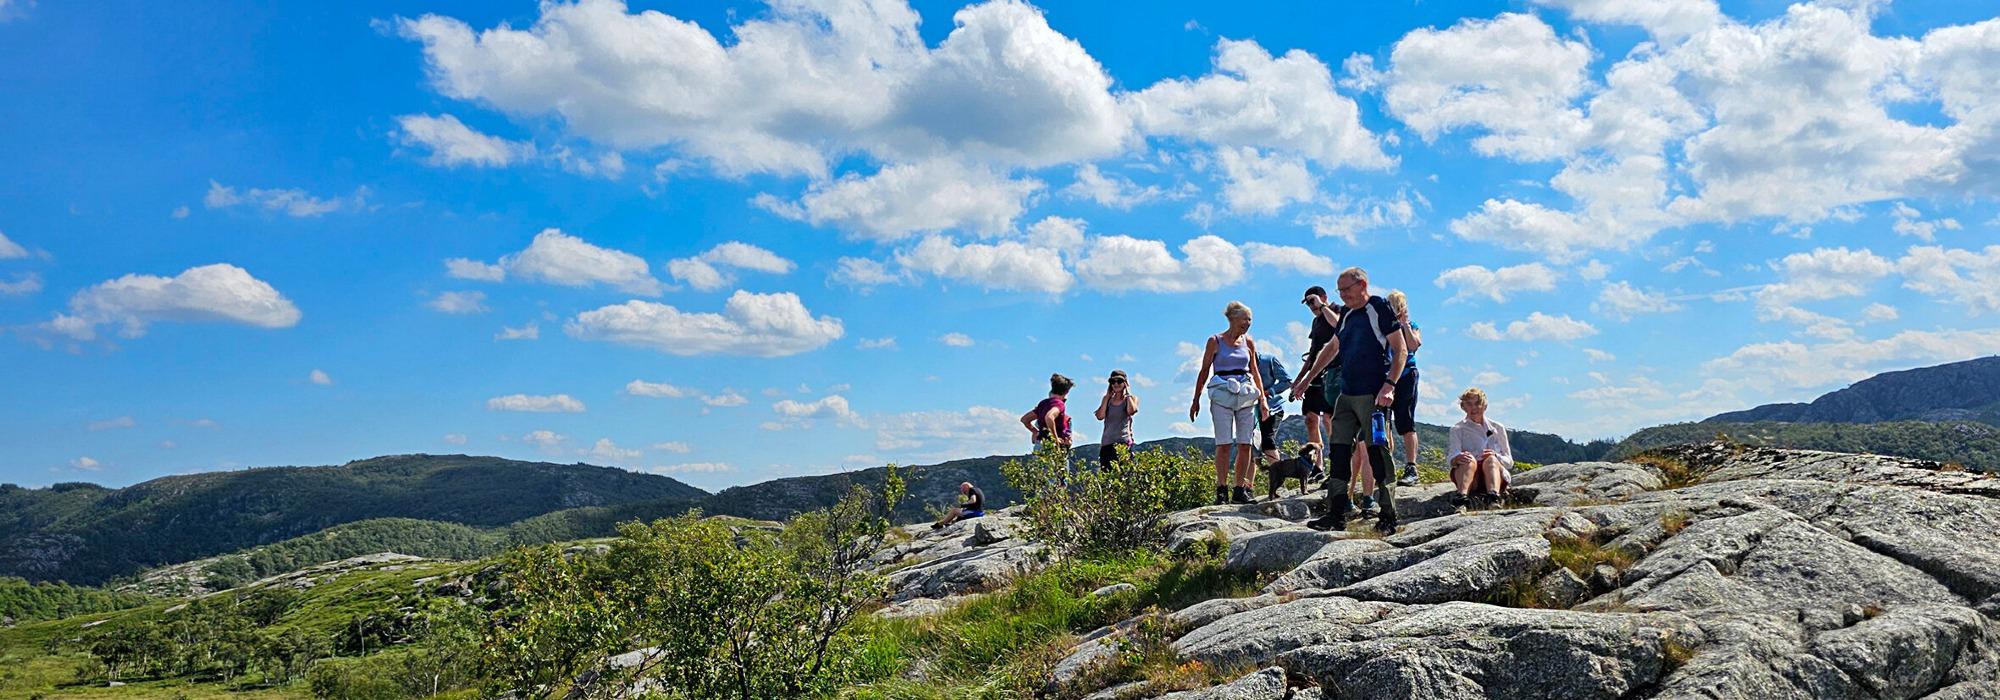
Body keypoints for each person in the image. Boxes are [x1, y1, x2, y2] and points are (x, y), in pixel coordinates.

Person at [1292, 267, 1410, 534]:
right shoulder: (1345, 314)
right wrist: (1307, 379)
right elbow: (1332, 348)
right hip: (1346, 393)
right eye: (1340, 290)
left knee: (1378, 452)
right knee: (1340, 450)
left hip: (1373, 394)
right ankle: (1337, 512)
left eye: (1346, 289)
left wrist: (1389, 385)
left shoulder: (1378, 307)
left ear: (1362, 284)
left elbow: (1400, 348)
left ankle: (1388, 515)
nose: (1343, 295)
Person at [1191, 301, 1269, 505]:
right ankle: (1221, 488)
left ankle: (1240, 489)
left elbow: (1255, 371)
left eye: (1250, 319)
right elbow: (1205, 370)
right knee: (1224, 444)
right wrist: (1196, 399)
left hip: (1244, 394)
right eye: (1245, 318)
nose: (1248, 323)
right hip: (1222, 393)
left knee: (1246, 443)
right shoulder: (1215, 341)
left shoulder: (1249, 342)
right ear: (1232, 318)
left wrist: (1263, 400)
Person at [1297, 286, 1341, 482]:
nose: (1311, 306)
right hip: (1315, 373)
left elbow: (1340, 327)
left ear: (1323, 297)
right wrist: (1299, 380)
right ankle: (1318, 466)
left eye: (1312, 301)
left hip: (1334, 371)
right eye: (1308, 303)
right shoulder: (1316, 322)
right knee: (1310, 418)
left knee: (1330, 419)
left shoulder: (1338, 310)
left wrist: (1322, 306)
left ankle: (1339, 461)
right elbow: (1313, 352)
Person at [1447, 388, 1514, 509]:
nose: (1474, 408)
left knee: (1491, 459)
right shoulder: (1457, 429)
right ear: (1463, 406)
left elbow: (1509, 462)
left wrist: (1496, 456)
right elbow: (1451, 457)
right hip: (1470, 477)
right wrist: (1457, 458)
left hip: (1494, 474)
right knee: (1468, 459)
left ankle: (1493, 497)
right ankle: (1462, 499)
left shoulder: (1497, 428)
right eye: (1469, 404)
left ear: (1485, 406)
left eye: (1478, 403)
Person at [1386, 290, 1424, 487]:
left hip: (1407, 373)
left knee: (1405, 419)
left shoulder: (1411, 325)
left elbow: (1414, 345)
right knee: (1383, 420)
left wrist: (1405, 324)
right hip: (1385, 374)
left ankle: (1411, 466)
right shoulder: (1383, 326)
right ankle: (1386, 466)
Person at [1095, 370, 1140, 468]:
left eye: (1119, 381)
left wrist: (1127, 394)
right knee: (1107, 477)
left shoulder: (1132, 399)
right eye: (1113, 382)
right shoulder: (1107, 400)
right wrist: (1107, 397)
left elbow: (1131, 411)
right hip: (1107, 444)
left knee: (1124, 476)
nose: (1116, 384)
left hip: (1123, 443)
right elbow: (1100, 416)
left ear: (1125, 383)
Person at [1254, 350, 1292, 466]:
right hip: (1251, 410)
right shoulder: (1240, 364)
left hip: (1273, 407)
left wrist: (1267, 392)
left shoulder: (1268, 360)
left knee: (1267, 439)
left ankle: (1278, 473)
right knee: (1251, 445)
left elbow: (1286, 381)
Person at [1021, 374, 1074, 450]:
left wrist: (1035, 432)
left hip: (1040, 443)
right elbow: (1049, 417)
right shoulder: (1059, 404)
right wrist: (1055, 438)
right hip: (1052, 446)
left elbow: (1025, 419)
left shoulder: (1043, 403)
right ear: (1066, 392)